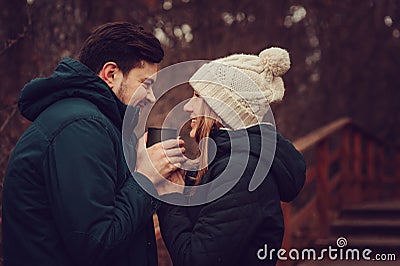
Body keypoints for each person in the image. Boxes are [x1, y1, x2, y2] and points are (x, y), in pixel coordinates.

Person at [2, 22, 186, 266]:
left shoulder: (95, 124)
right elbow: (96, 243)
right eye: (145, 84)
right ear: (111, 74)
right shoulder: (80, 127)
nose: (152, 97)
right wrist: (146, 178)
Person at [157, 47, 306, 265]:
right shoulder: (229, 162)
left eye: (197, 96)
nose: (188, 107)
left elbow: (196, 260)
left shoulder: (241, 172)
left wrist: (169, 196)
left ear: (222, 109)